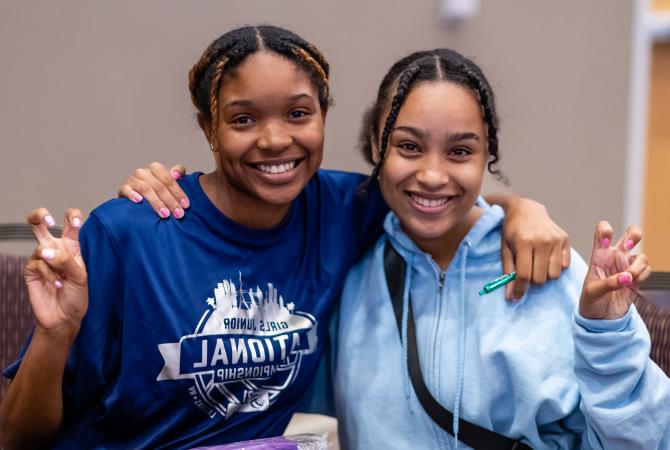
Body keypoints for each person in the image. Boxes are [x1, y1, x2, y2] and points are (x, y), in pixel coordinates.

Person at [1, 27, 568, 449]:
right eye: (244, 119)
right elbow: (16, 438)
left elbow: (433, 192)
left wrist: (524, 209)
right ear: (208, 126)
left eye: (299, 113)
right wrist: (57, 335)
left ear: (324, 116)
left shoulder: (342, 208)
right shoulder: (130, 233)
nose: (276, 140)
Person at [328, 48, 670, 449]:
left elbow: (648, 441)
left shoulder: (547, 268)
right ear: (375, 143)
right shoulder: (350, 276)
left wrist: (608, 335)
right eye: (408, 146)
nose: (433, 175)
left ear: (486, 155)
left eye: (460, 152)